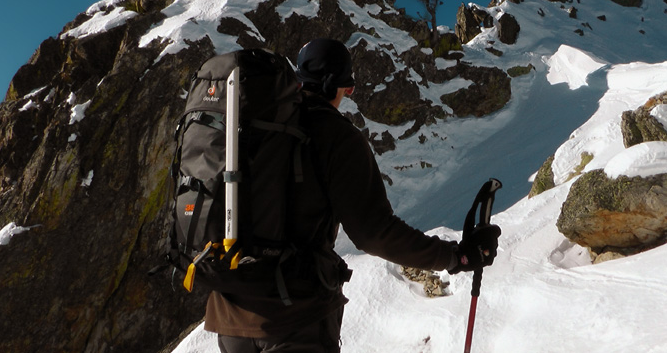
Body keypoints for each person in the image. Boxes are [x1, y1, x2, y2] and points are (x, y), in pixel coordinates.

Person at [203, 38, 501, 353]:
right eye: (348, 88)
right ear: (340, 87)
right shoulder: (334, 133)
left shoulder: (255, 126)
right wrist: (454, 257)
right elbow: (374, 233)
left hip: (230, 316)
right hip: (295, 320)